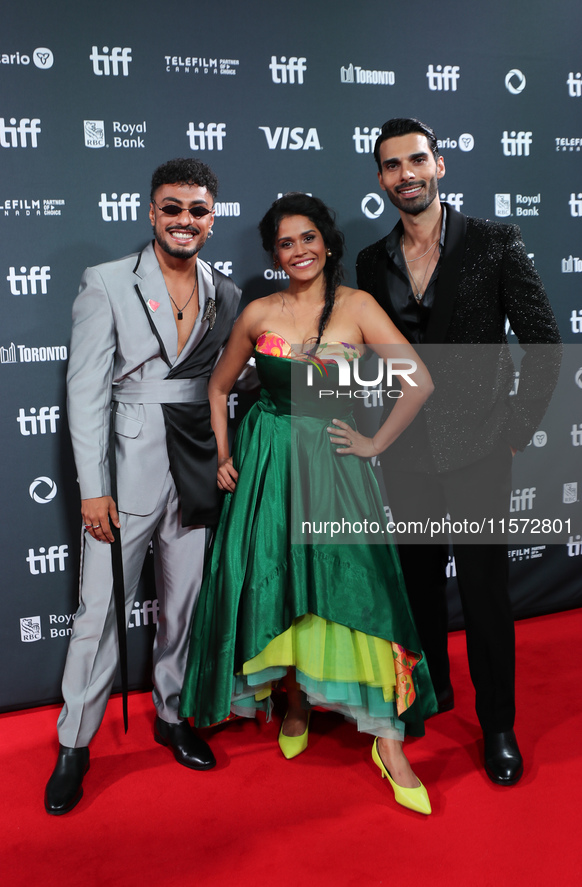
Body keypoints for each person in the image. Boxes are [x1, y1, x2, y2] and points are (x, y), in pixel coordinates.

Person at [180, 193, 437, 816]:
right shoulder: (258, 312)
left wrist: (374, 440)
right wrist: (223, 455)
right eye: (286, 243)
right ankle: (294, 703)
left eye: (308, 238)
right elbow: (219, 389)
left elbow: (419, 380)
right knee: (280, 583)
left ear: (327, 242)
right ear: (275, 252)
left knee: (358, 586)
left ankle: (388, 742)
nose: (298, 251)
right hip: (268, 461)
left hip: (335, 466)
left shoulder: (357, 306)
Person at [356, 117, 561, 786]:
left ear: (438, 165)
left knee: (483, 594)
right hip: (404, 455)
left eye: (415, 159)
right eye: (391, 165)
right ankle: (426, 702)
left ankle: (496, 724)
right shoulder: (370, 260)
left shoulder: (495, 241)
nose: (404, 173)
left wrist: (514, 430)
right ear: (381, 178)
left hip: (479, 450)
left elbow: (543, 340)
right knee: (416, 593)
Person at [44, 158, 241, 815]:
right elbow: (84, 394)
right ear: (151, 213)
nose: (185, 220)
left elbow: (225, 383)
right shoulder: (105, 283)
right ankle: (75, 743)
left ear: (213, 218)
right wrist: (93, 487)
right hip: (124, 472)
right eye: (173, 208)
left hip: (195, 463)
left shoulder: (228, 292)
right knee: (98, 612)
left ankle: (173, 713)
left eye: (198, 209)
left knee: (183, 603)